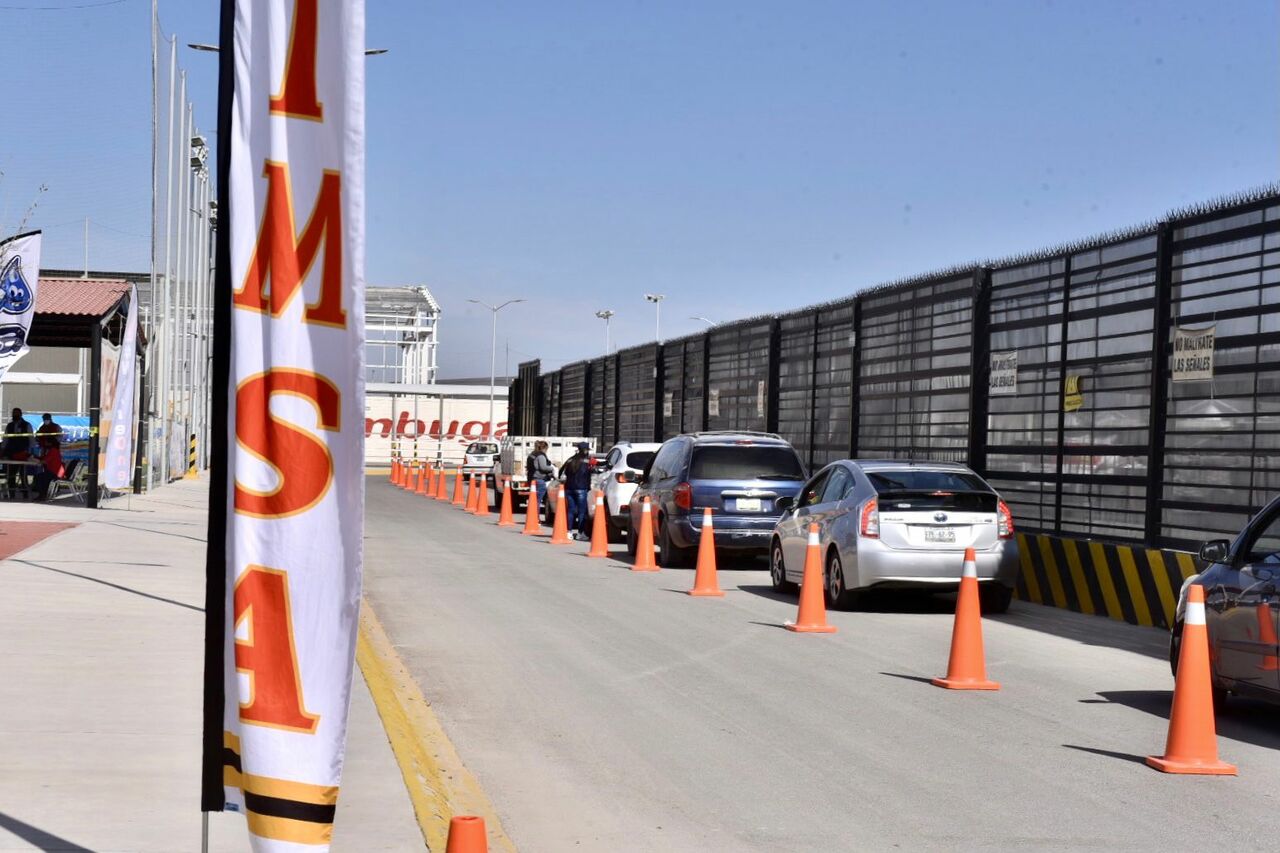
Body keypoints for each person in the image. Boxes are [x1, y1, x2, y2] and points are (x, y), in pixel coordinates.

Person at [558, 441, 593, 540]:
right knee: (582, 512)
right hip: (581, 488)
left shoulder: (570, 460)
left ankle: (568, 532)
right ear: (585, 450)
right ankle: (580, 533)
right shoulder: (587, 460)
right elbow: (598, 466)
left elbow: (561, 471)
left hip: (569, 488)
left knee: (570, 511)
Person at [1, 408, 34, 499]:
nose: (15, 415)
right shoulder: (9, 425)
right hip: (11, 453)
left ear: (20, 414)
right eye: (13, 413)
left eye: (17, 413)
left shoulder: (27, 425)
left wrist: (30, 452)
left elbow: (31, 439)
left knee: (23, 475)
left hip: (23, 453)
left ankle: (25, 494)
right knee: (10, 474)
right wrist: (3, 450)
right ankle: (11, 494)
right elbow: (5, 439)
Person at [31, 414, 64, 502]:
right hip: (44, 450)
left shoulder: (56, 427)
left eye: (47, 419)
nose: (46, 420)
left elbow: (59, 437)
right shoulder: (42, 428)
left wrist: (39, 459)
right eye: (44, 419)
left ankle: (44, 493)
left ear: (50, 419)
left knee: (43, 475)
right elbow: (38, 438)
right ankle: (43, 492)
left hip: (54, 470)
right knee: (43, 473)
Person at [525, 440, 556, 520]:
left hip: (531, 478)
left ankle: (532, 517)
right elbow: (543, 467)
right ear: (545, 448)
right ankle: (535, 518)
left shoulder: (532, 454)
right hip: (539, 479)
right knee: (537, 500)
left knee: (533, 499)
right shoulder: (541, 456)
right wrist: (552, 468)